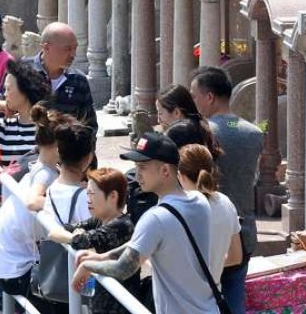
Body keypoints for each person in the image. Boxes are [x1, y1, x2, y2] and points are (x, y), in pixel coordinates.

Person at [74, 131, 217, 313]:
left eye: (142, 167)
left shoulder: (155, 218)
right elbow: (139, 245)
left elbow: (123, 268)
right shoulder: (199, 200)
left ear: (165, 170)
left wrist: (88, 265)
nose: (137, 174)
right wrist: (102, 257)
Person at [191, 65, 263, 314]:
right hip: (245, 230)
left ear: (209, 97)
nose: (194, 102)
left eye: (195, 96)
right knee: (235, 297)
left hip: (207, 228)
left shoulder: (202, 134)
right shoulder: (253, 133)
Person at [0, 106, 69, 311]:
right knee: (66, 297)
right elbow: (32, 201)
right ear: (57, 146)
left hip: (6, 264)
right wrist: (60, 202)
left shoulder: (35, 166)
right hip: (16, 271)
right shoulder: (45, 175)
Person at [49, 167, 142, 314]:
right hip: (100, 302)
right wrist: (77, 236)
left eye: (92, 193)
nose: (88, 199)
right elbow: (57, 232)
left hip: (118, 306)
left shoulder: (122, 226)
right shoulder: (99, 220)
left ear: (113, 196)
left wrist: (78, 236)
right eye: (87, 193)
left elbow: (80, 241)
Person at [33, 121, 97, 311]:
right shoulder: (86, 197)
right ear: (88, 159)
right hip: (81, 279)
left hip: (53, 277)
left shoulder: (52, 188)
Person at [0, 59, 51, 169]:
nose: (5, 94)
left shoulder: (49, 125)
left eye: (8, 89)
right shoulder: (5, 125)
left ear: (25, 90)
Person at [178, 144, 242, 286]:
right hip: (213, 297)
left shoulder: (176, 209)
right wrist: (213, 266)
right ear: (212, 170)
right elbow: (236, 257)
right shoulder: (225, 203)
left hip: (180, 301)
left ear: (180, 176)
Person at [28, 23, 98, 132]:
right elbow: (4, 113)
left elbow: (89, 125)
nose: (73, 54)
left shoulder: (78, 80)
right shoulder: (22, 73)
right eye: (67, 49)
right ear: (47, 48)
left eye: (75, 48)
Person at [156, 84, 220, 156]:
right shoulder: (203, 127)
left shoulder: (178, 136)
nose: (158, 120)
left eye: (160, 113)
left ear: (176, 112)